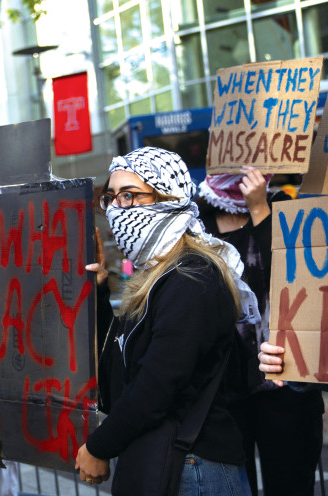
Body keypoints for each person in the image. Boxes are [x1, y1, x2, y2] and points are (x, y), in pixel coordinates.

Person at [76, 147, 256, 494]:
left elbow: (157, 385)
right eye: (111, 198)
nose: (116, 209)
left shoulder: (193, 277)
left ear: (170, 199)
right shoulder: (151, 279)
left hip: (195, 468)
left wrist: (99, 447)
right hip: (168, 462)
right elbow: (118, 385)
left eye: (130, 196)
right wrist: (99, 293)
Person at [198, 169, 323, 495]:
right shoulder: (195, 221)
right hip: (223, 393)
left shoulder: (281, 207)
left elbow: (299, 275)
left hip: (286, 387)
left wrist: (259, 210)